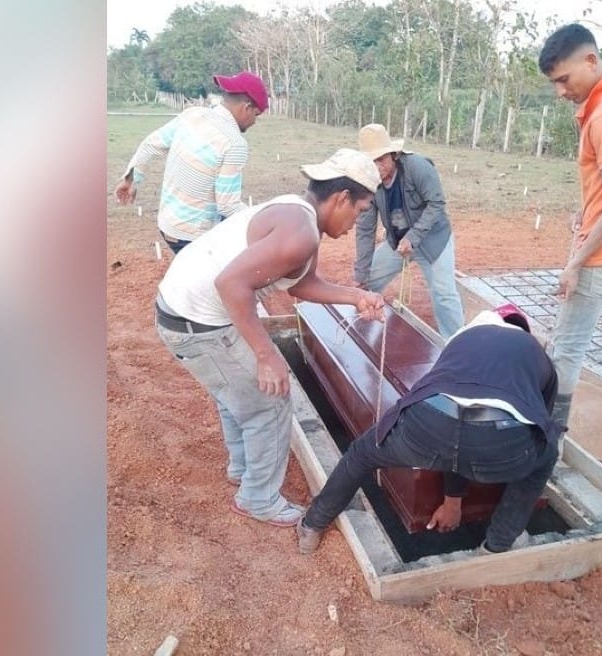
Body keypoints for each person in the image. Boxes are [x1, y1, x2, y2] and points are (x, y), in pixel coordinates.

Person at [155, 148, 385, 528]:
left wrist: (356, 296)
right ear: (342, 198)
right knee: (272, 401)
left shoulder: (298, 212)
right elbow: (231, 284)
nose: (355, 224)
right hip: (196, 323)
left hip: (187, 311)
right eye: (360, 212)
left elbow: (301, 283)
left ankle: (243, 467)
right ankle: (258, 498)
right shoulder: (301, 232)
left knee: (235, 391)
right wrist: (266, 354)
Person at [297, 304, 561, 555]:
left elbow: (453, 412)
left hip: (429, 426)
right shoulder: (538, 356)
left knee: (362, 455)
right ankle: (499, 544)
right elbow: (541, 426)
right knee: (545, 456)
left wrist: (453, 498)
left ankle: (312, 525)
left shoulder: (463, 340)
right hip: (500, 445)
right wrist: (455, 496)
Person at [538, 24, 602, 420]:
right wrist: (589, 206)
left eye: (564, 79)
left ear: (591, 60)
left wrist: (575, 263)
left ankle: (549, 444)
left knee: (566, 349)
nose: (560, 91)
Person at [114, 71, 269, 253]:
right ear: (247, 107)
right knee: (232, 269)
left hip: (167, 225)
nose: (254, 122)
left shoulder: (192, 115)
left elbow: (150, 145)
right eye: (256, 115)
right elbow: (228, 206)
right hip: (193, 238)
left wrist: (130, 180)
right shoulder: (234, 143)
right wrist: (263, 217)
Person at [352, 123, 466, 339]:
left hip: (433, 241)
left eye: (381, 159)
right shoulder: (369, 182)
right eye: (371, 161)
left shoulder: (418, 167)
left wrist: (413, 237)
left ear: (393, 155)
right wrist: (360, 273)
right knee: (367, 282)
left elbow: (437, 204)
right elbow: (366, 229)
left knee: (444, 294)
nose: (377, 167)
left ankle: (456, 345)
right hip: (397, 242)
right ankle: (358, 331)